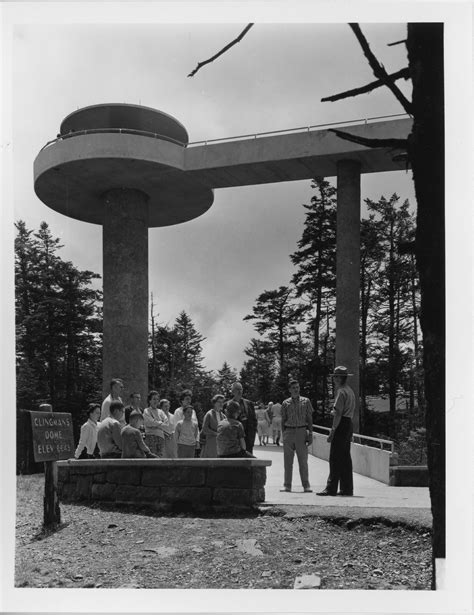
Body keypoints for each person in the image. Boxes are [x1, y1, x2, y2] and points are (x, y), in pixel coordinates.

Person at [317, 366, 355, 497]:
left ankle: (331, 488)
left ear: (339, 378)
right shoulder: (350, 391)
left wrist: (332, 431)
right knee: (345, 457)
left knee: (335, 457)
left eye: (335, 377)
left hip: (341, 424)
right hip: (349, 423)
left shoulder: (341, 392)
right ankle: (347, 488)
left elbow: (338, 413)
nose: (334, 379)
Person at [280, 380, 314, 493]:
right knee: (288, 462)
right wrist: (283, 435)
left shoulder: (306, 401)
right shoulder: (285, 403)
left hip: (301, 431)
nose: (296, 389)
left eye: (297, 387)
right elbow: (283, 420)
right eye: (293, 387)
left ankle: (306, 485)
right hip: (289, 432)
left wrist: (310, 433)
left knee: (303, 461)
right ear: (289, 390)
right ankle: (287, 485)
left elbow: (309, 419)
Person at [226, 382, 257, 454]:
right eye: (237, 389)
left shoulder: (249, 404)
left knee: (248, 460)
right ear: (232, 391)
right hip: (234, 439)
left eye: (241, 389)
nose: (240, 391)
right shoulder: (227, 404)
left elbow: (254, 421)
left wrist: (252, 436)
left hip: (248, 438)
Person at [143, 390, 167, 457]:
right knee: (152, 458)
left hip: (161, 437)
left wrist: (155, 424)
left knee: (160, 457)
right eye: (154, 399)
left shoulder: (161, 412)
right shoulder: (146, 411)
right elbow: (149, 423)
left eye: (157, 399)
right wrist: (160, 423)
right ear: (149, 400)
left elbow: (166, 424)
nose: (156, 401)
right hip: (150, 437)